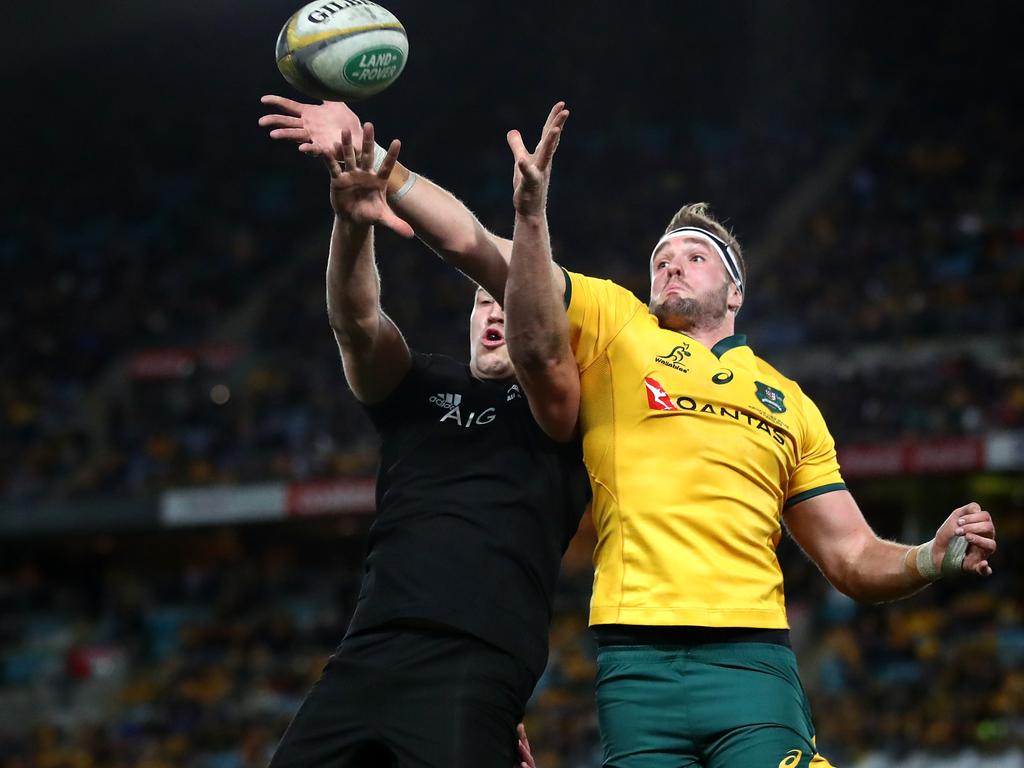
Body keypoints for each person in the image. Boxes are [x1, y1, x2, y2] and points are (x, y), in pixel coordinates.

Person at [501, 105, 999, 767]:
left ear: (735, 291)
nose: (671, 266)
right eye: (661, 259)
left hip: (751, 664)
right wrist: (522, 214)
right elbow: (491, 265)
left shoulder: (791, 405)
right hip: (633, 666)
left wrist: (928, 559)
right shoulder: (619, 328)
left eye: (695, 256)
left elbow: (850, 555)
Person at [260, 117, 588, 768]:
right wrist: (353, 224)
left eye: (507, 301)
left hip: (476, 660)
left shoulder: (566, 410)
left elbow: (540, 342)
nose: (494, 311)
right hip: (367, 650)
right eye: (482, 303)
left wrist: (527, 221)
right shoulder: (420, 383)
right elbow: (355, 324)